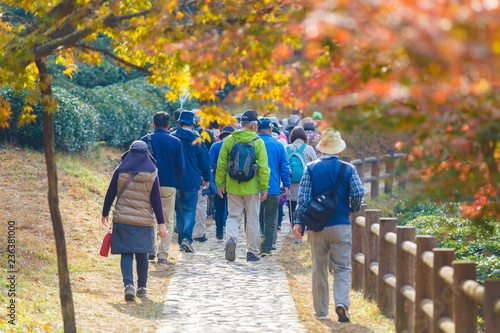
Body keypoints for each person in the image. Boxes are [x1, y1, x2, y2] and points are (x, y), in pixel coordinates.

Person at [293, 128, 365, 322]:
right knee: (342, 267)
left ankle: (322, 311)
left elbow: (303, 198)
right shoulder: (348, 169)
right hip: (341, 224)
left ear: (321, 149)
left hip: (317, 227)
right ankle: (341, 303)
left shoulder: (311, 168)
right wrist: (352, 209)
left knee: (319, 268)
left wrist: (298, 222)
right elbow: (358, 192)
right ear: (339, 150)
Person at [101, 141, 167, 301]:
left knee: (126, 252)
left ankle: (128, 285)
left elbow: (110, 192)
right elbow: (156, 200)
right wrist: (161, 223)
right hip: (144, 222)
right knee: (142, 253)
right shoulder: (152, 172)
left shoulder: (120, 169)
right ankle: (142, 287)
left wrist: (105, 213)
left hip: (123, 219)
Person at [215, 110, 270, 262]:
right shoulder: (258, 141)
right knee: (252, 219)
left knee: (233, 216)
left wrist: (220, 183)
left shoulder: (230, 139)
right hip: (251, 188)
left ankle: (232, 239)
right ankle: (252, 252)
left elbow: (221, 164)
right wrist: (264, 187)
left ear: (241, 124)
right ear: (253, 125)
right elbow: (264, 167)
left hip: (233, 186)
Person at [140, 111, 185, 264]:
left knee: (149, 217)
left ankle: (149, 250)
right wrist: (175, 181)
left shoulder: (144, 140)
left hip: (148, 184)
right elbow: (180, 166)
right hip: (168, 184)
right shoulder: (176, 142)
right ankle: (162, 255)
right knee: (168, 220)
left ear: (153, 124)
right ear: (168, 125)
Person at [172, 110, 211, 253]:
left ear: (178, 123)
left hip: (175, 180)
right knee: (190, 211)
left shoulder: (172, 137)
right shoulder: (197, 141)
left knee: (179, 211)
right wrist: (207, 179)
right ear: (192, 125)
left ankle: (181, 239)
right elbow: (205, 163)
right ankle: (187, 239)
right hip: (192, 181)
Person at [257, 118, 291, 257]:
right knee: (270, 219)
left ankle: (256, 243)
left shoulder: (253, 143)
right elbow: (284, 167)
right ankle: (267, 249)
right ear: (271, 130)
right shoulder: (278, 145)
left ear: (257, 129)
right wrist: (286, 184)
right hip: (273, 188)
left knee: (254, 218)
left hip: (255, 188)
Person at [285, 126, 317, 242]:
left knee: (292, 210)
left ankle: (295, 236)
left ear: (292, 137)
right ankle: (301, 234)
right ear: (304, 137)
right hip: (305, 186)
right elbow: (315, 167)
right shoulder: (309, 149)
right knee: (304, 210)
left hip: (290, 186)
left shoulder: (286, 149)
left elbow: (282, 167)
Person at [209, 125, 235, 240]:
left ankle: (219, 233)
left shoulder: (216, 146)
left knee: (219, 208)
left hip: (219, 181)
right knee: (232, 209)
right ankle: (230, 232)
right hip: (233, 180)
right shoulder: (235, 146)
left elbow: (209, 163)